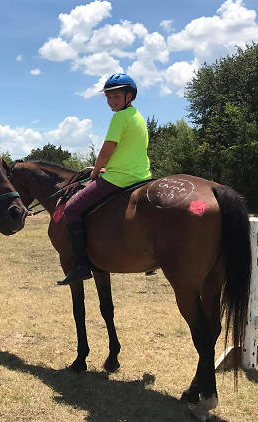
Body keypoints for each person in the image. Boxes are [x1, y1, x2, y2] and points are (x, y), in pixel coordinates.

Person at [58, 73, 152, 285]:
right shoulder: (137, 116)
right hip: (141, 176)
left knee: (72, 209)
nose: (111, 102)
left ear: (129, 96)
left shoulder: (119, 117)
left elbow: (107, 149)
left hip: (119, 178)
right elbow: (128, 151)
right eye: (108, 98)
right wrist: (104, 168)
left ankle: (81, 265)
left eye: (116, 97)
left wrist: (96, 171)